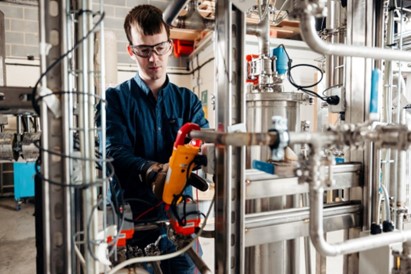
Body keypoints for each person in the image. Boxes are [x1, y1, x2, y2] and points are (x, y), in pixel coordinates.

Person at [101, 4, 209, 274]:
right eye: (144, 50)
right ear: (131, 51)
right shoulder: (115, 100)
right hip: (133, 221)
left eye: (159, 48)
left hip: (180, 216)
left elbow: (204, 146)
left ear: (170, 46)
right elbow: (113, 149)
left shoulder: (188, 101)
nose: (153, 59)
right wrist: (149, 169)